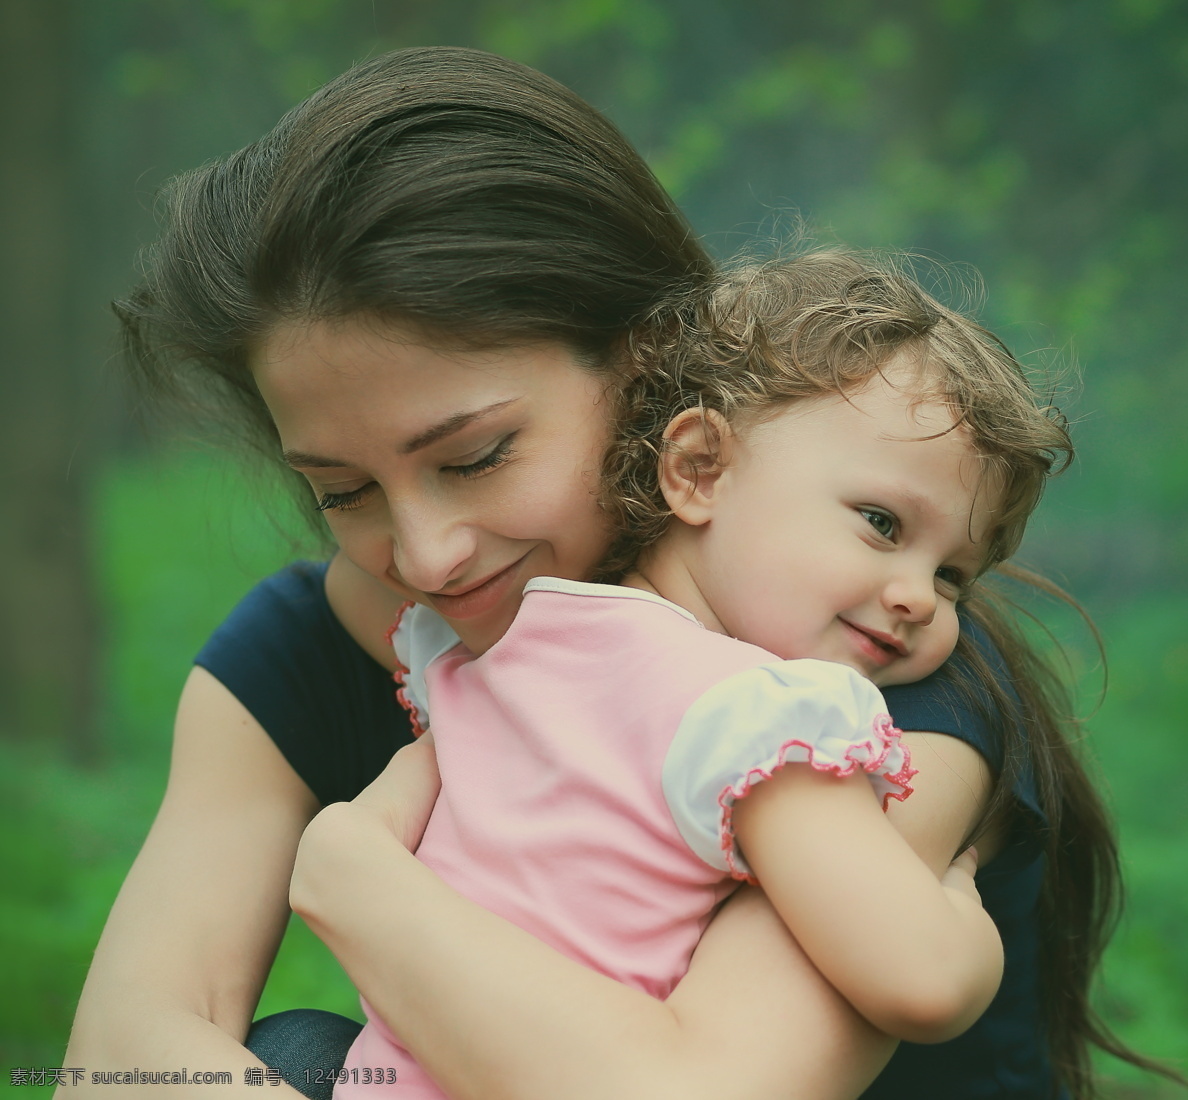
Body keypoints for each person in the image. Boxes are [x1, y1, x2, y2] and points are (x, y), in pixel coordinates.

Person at [62, 45, 1154, 1100]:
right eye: (343, 491)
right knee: (302, 1053)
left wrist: (354, 875)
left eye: (476, 455)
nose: (429, 553)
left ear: (649, 373)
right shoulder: (321, 644)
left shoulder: (862, 673)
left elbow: (693, 1086)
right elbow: (123, 1058)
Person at [295, 249, 1066, 1099]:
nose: (921, 599)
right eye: (882, 523)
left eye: (954, 575)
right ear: (698, 467)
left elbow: (348, 586)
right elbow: (923, 981)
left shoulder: (499, 638)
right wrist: (961, 909)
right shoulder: (756, 721)